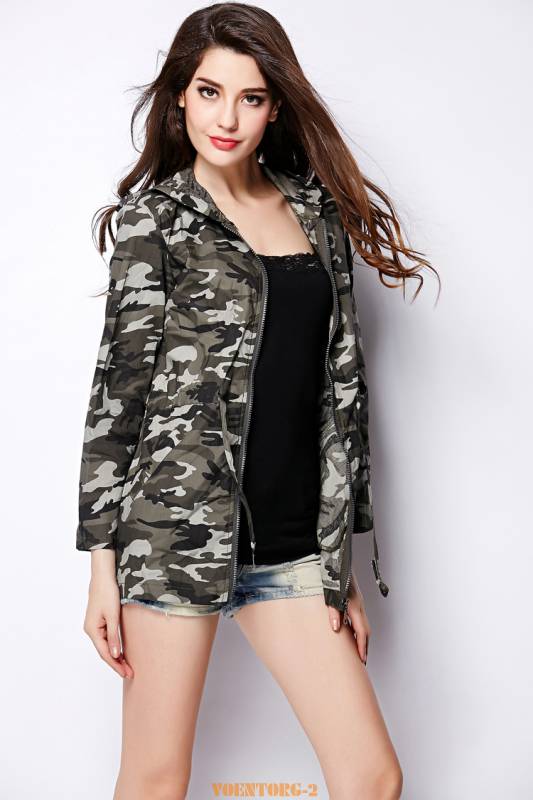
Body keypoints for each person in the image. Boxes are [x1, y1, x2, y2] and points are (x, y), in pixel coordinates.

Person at [76, 4, 438, 798]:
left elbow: (336, 393)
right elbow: (117, 397)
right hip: (171, 543)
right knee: (155, 778)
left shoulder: (314, 213)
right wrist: (102, 570)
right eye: (209, 92)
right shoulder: (155, 220)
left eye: (250, 97)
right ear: (180, 94)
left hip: (293, 548)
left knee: (371, 776)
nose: (226, 118)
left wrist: (339, 564)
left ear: (275, 106)